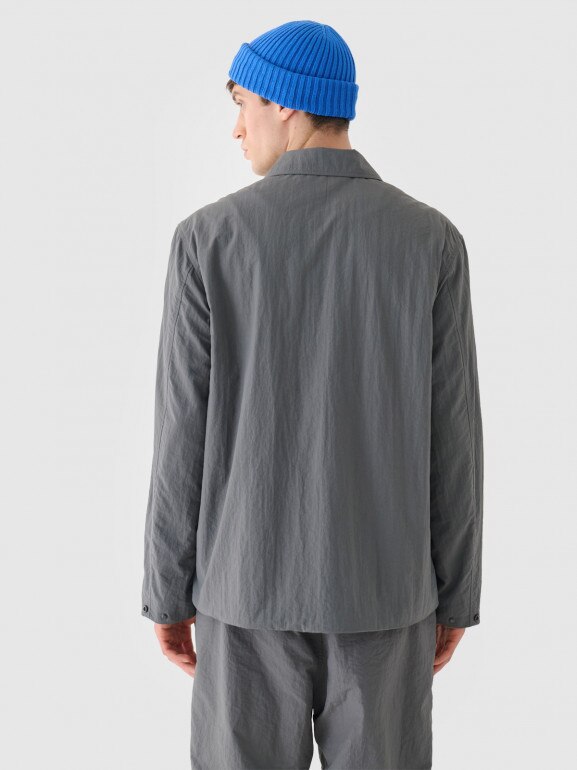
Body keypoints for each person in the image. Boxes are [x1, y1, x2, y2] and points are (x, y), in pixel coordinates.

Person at [141, 18, 484, 770]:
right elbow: (453, 437)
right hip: (386, 596)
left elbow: (181, 436)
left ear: (286, 103)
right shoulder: (431, 241)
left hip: (242, 595)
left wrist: (167, 591)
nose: (237, 128)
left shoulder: (207, 239)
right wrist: (456, 593)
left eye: (242, 103)